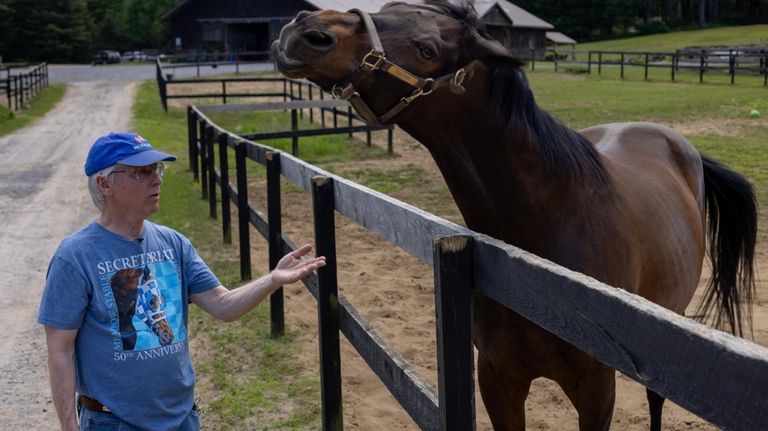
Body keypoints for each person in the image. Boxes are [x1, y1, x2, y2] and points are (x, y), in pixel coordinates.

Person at [38, 132, 325, 431]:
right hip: (113, 421)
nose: (156, 180)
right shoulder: (75, 257)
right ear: (104, 184)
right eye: (141, 172)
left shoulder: (173, 243)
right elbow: (60, 350)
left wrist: (272, 279)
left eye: (157, 169)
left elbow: (224, 306)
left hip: (182, 418)